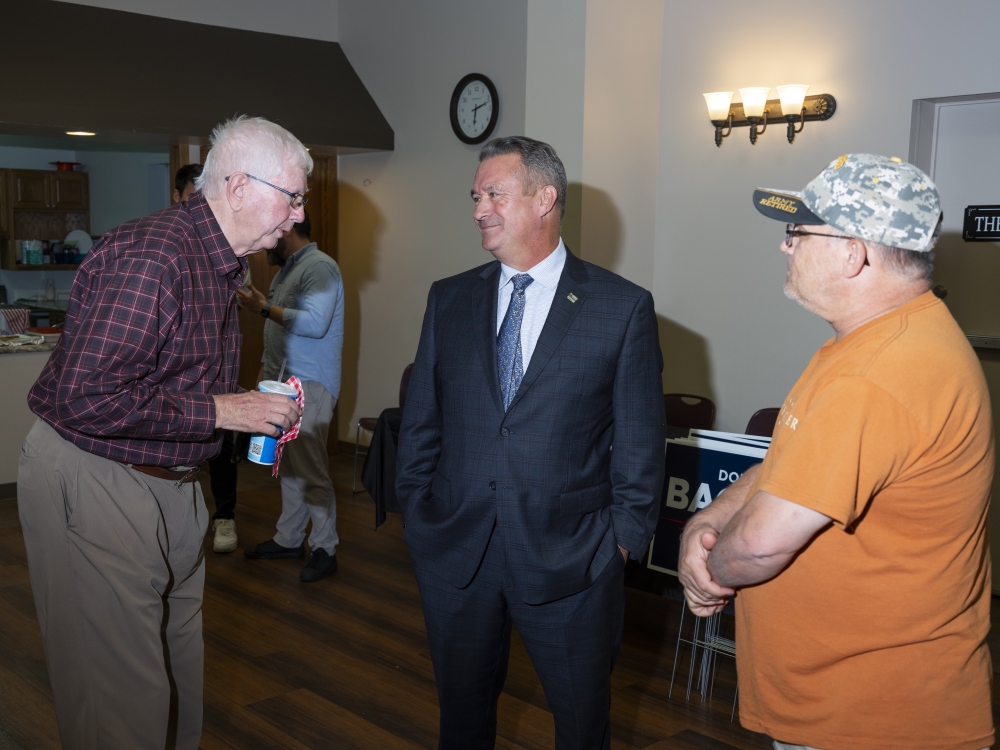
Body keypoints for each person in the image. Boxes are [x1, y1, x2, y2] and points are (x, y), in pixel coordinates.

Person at [678, 154, 994, 750]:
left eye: (798, 232)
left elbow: (765, 542)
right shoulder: (880, 342)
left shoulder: (877, 372)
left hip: (873, 717)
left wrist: (706, 575)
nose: (786, 247)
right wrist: (711, 517)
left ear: (853, 254)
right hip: (857, 705)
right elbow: (788, 460)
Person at [17, 115, 308, 750]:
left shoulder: (222, 264)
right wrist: (225, 412)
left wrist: (238, 410)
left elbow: (170, 378)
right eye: (291, 196)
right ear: (235, 185)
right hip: (97, 477)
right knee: (119, 701)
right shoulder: (155, 255)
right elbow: (88, 397)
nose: (297, 215)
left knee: (176, 681)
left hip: (171, 480)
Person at [396, 136, 665, 749]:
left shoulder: (620, 308)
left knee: (579, 723)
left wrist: (622, 541)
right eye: (474, 196)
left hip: (572, 556)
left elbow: (641, 439)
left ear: (546, 199)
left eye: (493, 193)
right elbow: (423, 419)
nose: (478, 209)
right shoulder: (449, 298)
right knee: (461, 720)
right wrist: (416, 508)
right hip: (455, 550)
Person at [239, 209, 344, 583]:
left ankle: (325, 548)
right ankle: (288, 539)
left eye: (273, 231)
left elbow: (315, 324)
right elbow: (280, 331)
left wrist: (263, 307)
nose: (267, 240)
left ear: (290, 229)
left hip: (311, 385)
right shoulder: (288, 270)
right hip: (284, 382)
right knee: (290, 465)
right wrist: (264, 377)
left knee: (311, 470)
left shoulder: (320, 267)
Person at [174, 162, 244, 553]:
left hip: (216, 387)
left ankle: (224, 516)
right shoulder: (164, 253)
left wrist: (231, 401)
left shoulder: (227, 264)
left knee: (223, 454)